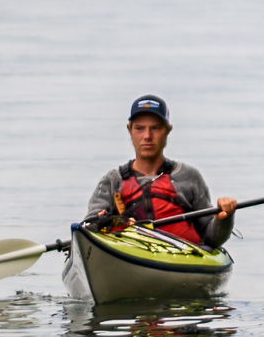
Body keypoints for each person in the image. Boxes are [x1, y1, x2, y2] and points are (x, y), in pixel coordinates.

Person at [83, 95, 237, 250]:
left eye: (155, 128)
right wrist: (112, 221)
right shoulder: (113, 181)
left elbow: (212, 238)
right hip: (129, 253)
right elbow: (90, 225)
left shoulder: (189, 177)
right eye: (139, 128)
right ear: (129, 130)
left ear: (167, 130)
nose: (147, 136)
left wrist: (224, 219)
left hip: (183, 258)